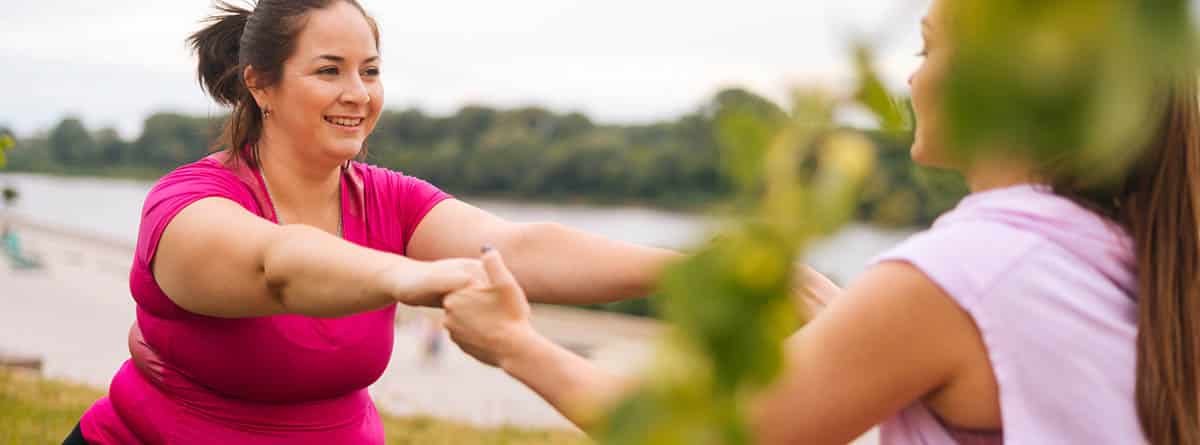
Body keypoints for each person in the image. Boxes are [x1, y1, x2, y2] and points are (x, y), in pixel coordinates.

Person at [441, 0, 1200, 443]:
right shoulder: (1115, 247)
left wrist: (515, 343)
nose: (910, 75)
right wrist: (844, 309)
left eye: (928, 47)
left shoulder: (972, 268)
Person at [68, 1, 688, 443]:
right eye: (329, 69)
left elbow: (526, 247)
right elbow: (277, 265)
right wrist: (410, 278)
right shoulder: (189, 203)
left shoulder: (388, 199)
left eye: (370, 70)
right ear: (261, 84)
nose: (359, 94)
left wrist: (700, 271)